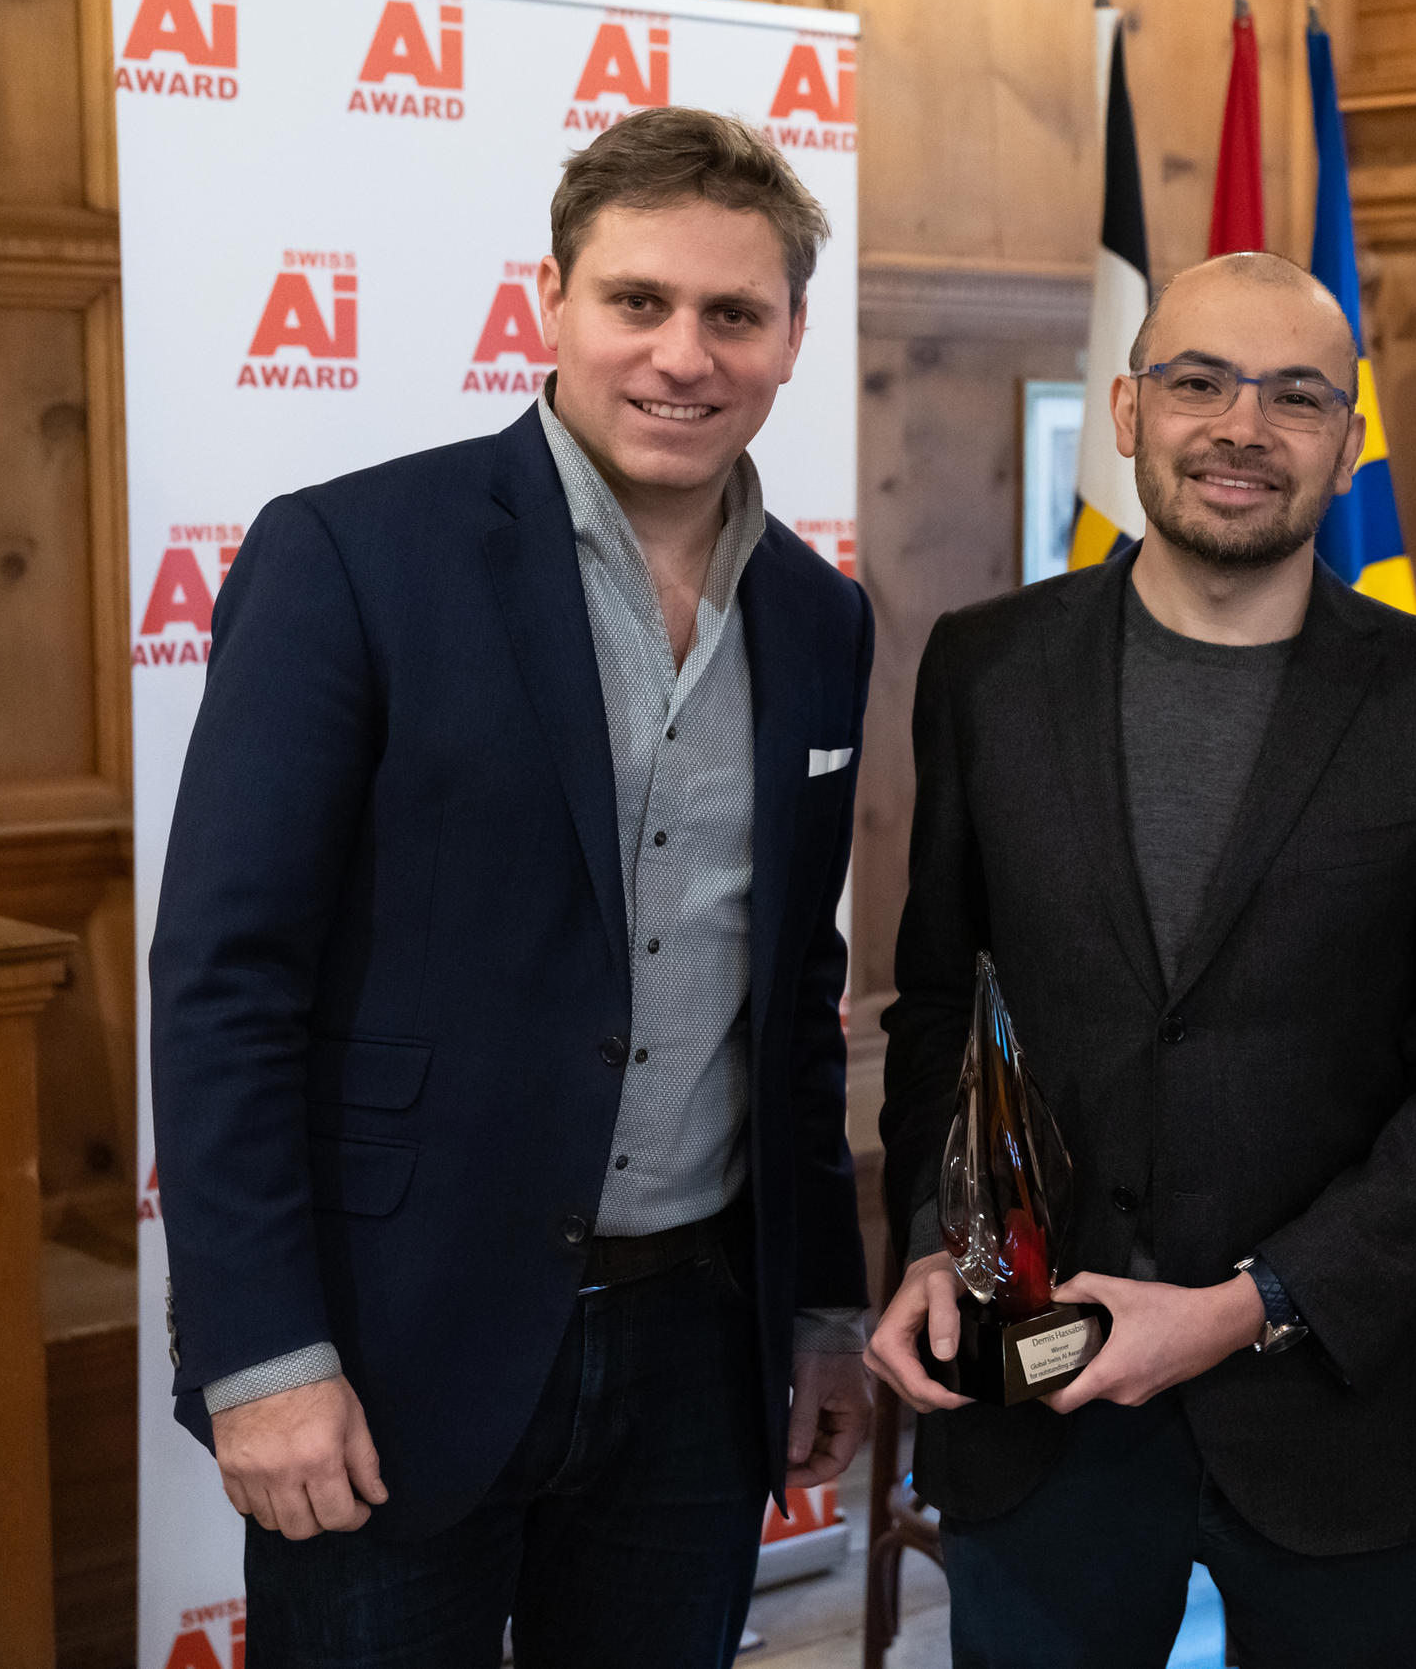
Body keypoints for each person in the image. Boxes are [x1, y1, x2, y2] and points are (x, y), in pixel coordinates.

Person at [149, 107, 874, 1666]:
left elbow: (792, 996)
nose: (684, 354)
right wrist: (261, 1351)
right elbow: (226, 981)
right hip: (392, 1343)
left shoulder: (824, 619)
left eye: (734, 314)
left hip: (698, 1350)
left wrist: (820, 1307)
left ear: (794, 338)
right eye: (640, 302)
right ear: (554, 298)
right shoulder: (354, 553)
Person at [865, 252, 1416, 1668]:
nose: (1243, 427)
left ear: (1347, 441)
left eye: (1297, 395)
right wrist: (942, 1242)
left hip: (1336, 1411)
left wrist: (1251, 1305)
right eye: (1199, 382)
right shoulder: (986, 668)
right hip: (1038, 1401)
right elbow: (945, 996)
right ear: (1127, 410)